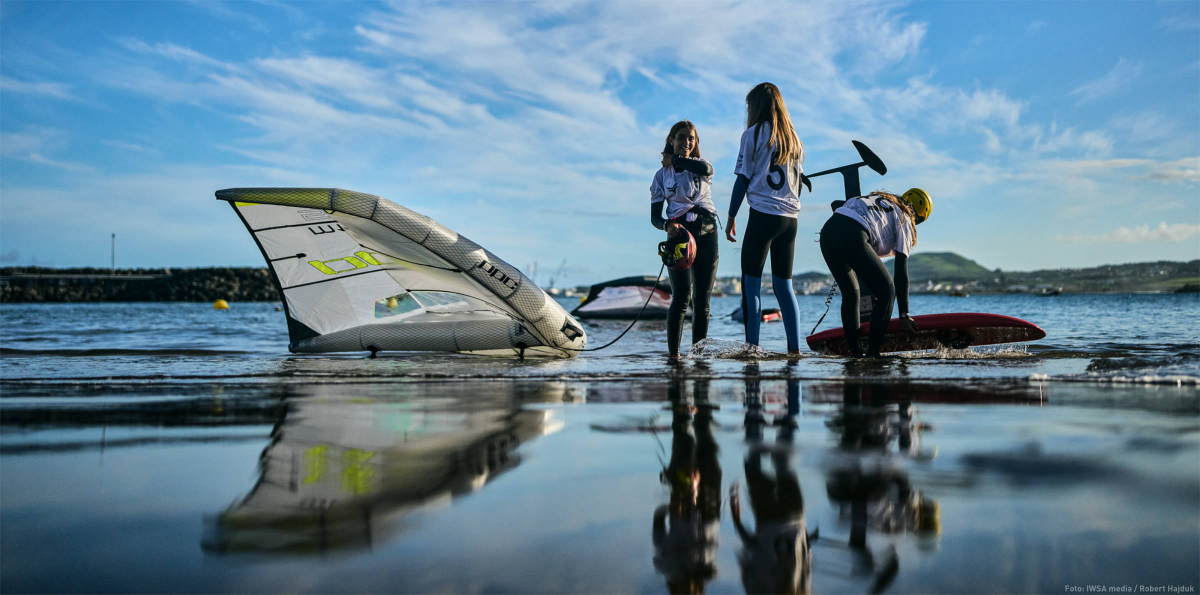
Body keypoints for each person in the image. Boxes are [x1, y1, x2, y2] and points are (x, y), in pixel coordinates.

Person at [725, 83, 805, 353]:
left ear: (756, 106)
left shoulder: (753, 134)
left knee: (751, 286)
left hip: (763, 216)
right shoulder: (794, 138)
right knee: (785, 287)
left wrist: (731, 215)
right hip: (790, 220)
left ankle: (752, 350)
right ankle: (795, 350)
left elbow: (742, 180)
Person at [818, 188, 932, 357]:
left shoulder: (876, 199)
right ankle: (873, 354)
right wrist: (904, 315)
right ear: (919, 218)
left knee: (851, 294)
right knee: (887, 291)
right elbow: (901, 270)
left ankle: (855, 354)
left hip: (828, 231)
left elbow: (837, 205)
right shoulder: (905, 218)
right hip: (854, 233)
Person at [651, 120, 719, 357]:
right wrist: (667, 225)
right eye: (681, 137)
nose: (686, 142)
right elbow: (654, 218)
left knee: (703, 301)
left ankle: (699, 357)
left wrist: (676, 160)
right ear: (672, 140)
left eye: (691, 138)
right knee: (681, 298)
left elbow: (708, 172)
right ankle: (674, 358)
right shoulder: (661, 176)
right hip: (680, 237)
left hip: (708, 233)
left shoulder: (701, 165)